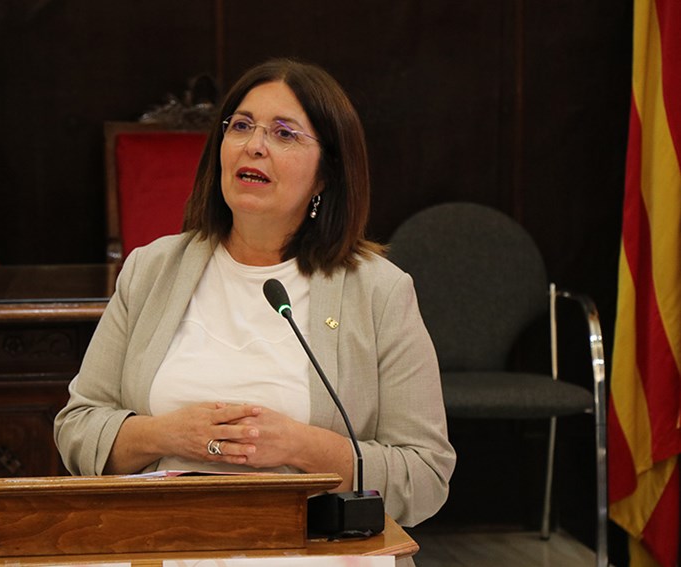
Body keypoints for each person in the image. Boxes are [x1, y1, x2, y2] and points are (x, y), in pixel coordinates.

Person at [54, 57, 455, 528]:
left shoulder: (379, 291)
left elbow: (425, 475)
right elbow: (77, 427)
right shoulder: (151, 270)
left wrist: (300, 446)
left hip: (308, 548)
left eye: (284, 133)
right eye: (241, 126)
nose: (254, 146)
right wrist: (167, 435)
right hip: (160, 540)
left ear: (326, 174)